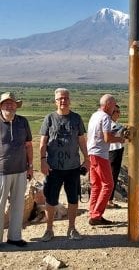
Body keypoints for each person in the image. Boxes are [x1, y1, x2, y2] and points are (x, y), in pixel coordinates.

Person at [39, 88, 89, 242]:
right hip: (53, 167)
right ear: (55, 101)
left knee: (73, 199)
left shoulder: (76, 118)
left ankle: (72, 228)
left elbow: (81, 140)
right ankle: (49, 229)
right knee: (50, 200)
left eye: (66, 98)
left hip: (73, 167)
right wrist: (42, 160)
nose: (63, 101)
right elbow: (43, 142)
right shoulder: (49, 119)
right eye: (60, 98)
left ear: (69, 100)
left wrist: (87, 159)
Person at [0, 92, 33, 247]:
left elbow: (28, 145)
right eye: (6, 103)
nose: (9, 105)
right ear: (1, 106)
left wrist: (30, 166)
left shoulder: (23, 122)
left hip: (20, 170)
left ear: (16, 106)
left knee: (18, 204)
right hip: (1, 171)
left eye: (12, 103)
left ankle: (14, 237)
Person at [87, 94, 125, 225]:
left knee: (96, 185)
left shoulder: (95, 115)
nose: (115, 108)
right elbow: (107, 138)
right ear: (109, 105)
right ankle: (96, 215)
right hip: (100, 154)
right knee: (108, 185)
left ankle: (92, 212)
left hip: (91, 153)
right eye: (114, 105)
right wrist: (121, 139)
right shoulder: (105, 117)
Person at [108, 104, 124, 209]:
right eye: (116, 111)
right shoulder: (110, 124)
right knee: (111, 176)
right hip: (112, 151)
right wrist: (121, 129)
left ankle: (109, 199)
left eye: (119, 111)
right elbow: (111, 135)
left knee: (114, 176)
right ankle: (108, 200)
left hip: (117, 150)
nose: (118, 113)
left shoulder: (115, 124)